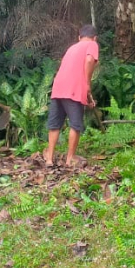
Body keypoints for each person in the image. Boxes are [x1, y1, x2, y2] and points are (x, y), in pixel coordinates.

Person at [43, 24, 99, 168]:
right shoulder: (92, 44)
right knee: (75, 124)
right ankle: (70, 159)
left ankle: (49, 158)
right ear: (95, 38)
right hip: (74, 87)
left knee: (55, 124)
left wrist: (88, 97)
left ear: (79, 37)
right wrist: (87, 83)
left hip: (58, 87)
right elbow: (89, 60)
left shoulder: (72, 48)